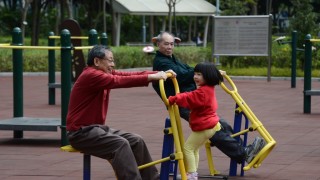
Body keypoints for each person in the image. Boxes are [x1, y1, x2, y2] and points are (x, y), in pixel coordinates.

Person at [152, 31, 266, 165]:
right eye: (166, 44)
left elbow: (188, 70)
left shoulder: (172, 59)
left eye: (171, 44)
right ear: (158, 44)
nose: (170, 47)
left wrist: (208, 72)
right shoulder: (162, 62)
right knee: (211, 129)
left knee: (222, 124)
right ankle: (242, 153)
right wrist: (207, 72)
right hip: (184, 102)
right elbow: (183, 75)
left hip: (194, 100)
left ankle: (243, 150)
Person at [66, 45, 176, 180]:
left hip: (97, 129)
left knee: (136, 140)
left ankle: (153, 178)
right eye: (110, 60)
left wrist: (158, 73)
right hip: (80, 133)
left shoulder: (104, 73)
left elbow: (128, 74)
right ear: (97, 61)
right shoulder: (91, 75)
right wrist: (153, 77)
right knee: (120, 144)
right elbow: (119, 81)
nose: (113, 64)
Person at [168, 62, 223, 180]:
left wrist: (174, 98)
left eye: (199, 74)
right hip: (211, 125)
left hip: (206, 126)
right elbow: (191, 95)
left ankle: (192, 174)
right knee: (195, 149)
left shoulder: (202, 92)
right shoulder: (208, 88)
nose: (195, 77)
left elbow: (189, 98)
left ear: (208, 76)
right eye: (195, 74)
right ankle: (193, 173)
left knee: (187, 148)